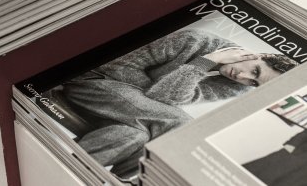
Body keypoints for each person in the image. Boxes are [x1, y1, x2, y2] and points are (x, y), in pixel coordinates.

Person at [60, 28, 298, 179]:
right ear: (258, 55)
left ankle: (68, 173)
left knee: (135, 136)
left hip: (127, 111)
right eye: (255, 71)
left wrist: (153, 93)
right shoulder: (195, 41)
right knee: (181, 123)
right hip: (95, 80)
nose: (243, 77)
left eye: (254, 83)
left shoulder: (236, 87)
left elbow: (169, 98)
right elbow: (119, 65)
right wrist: (207, 60)